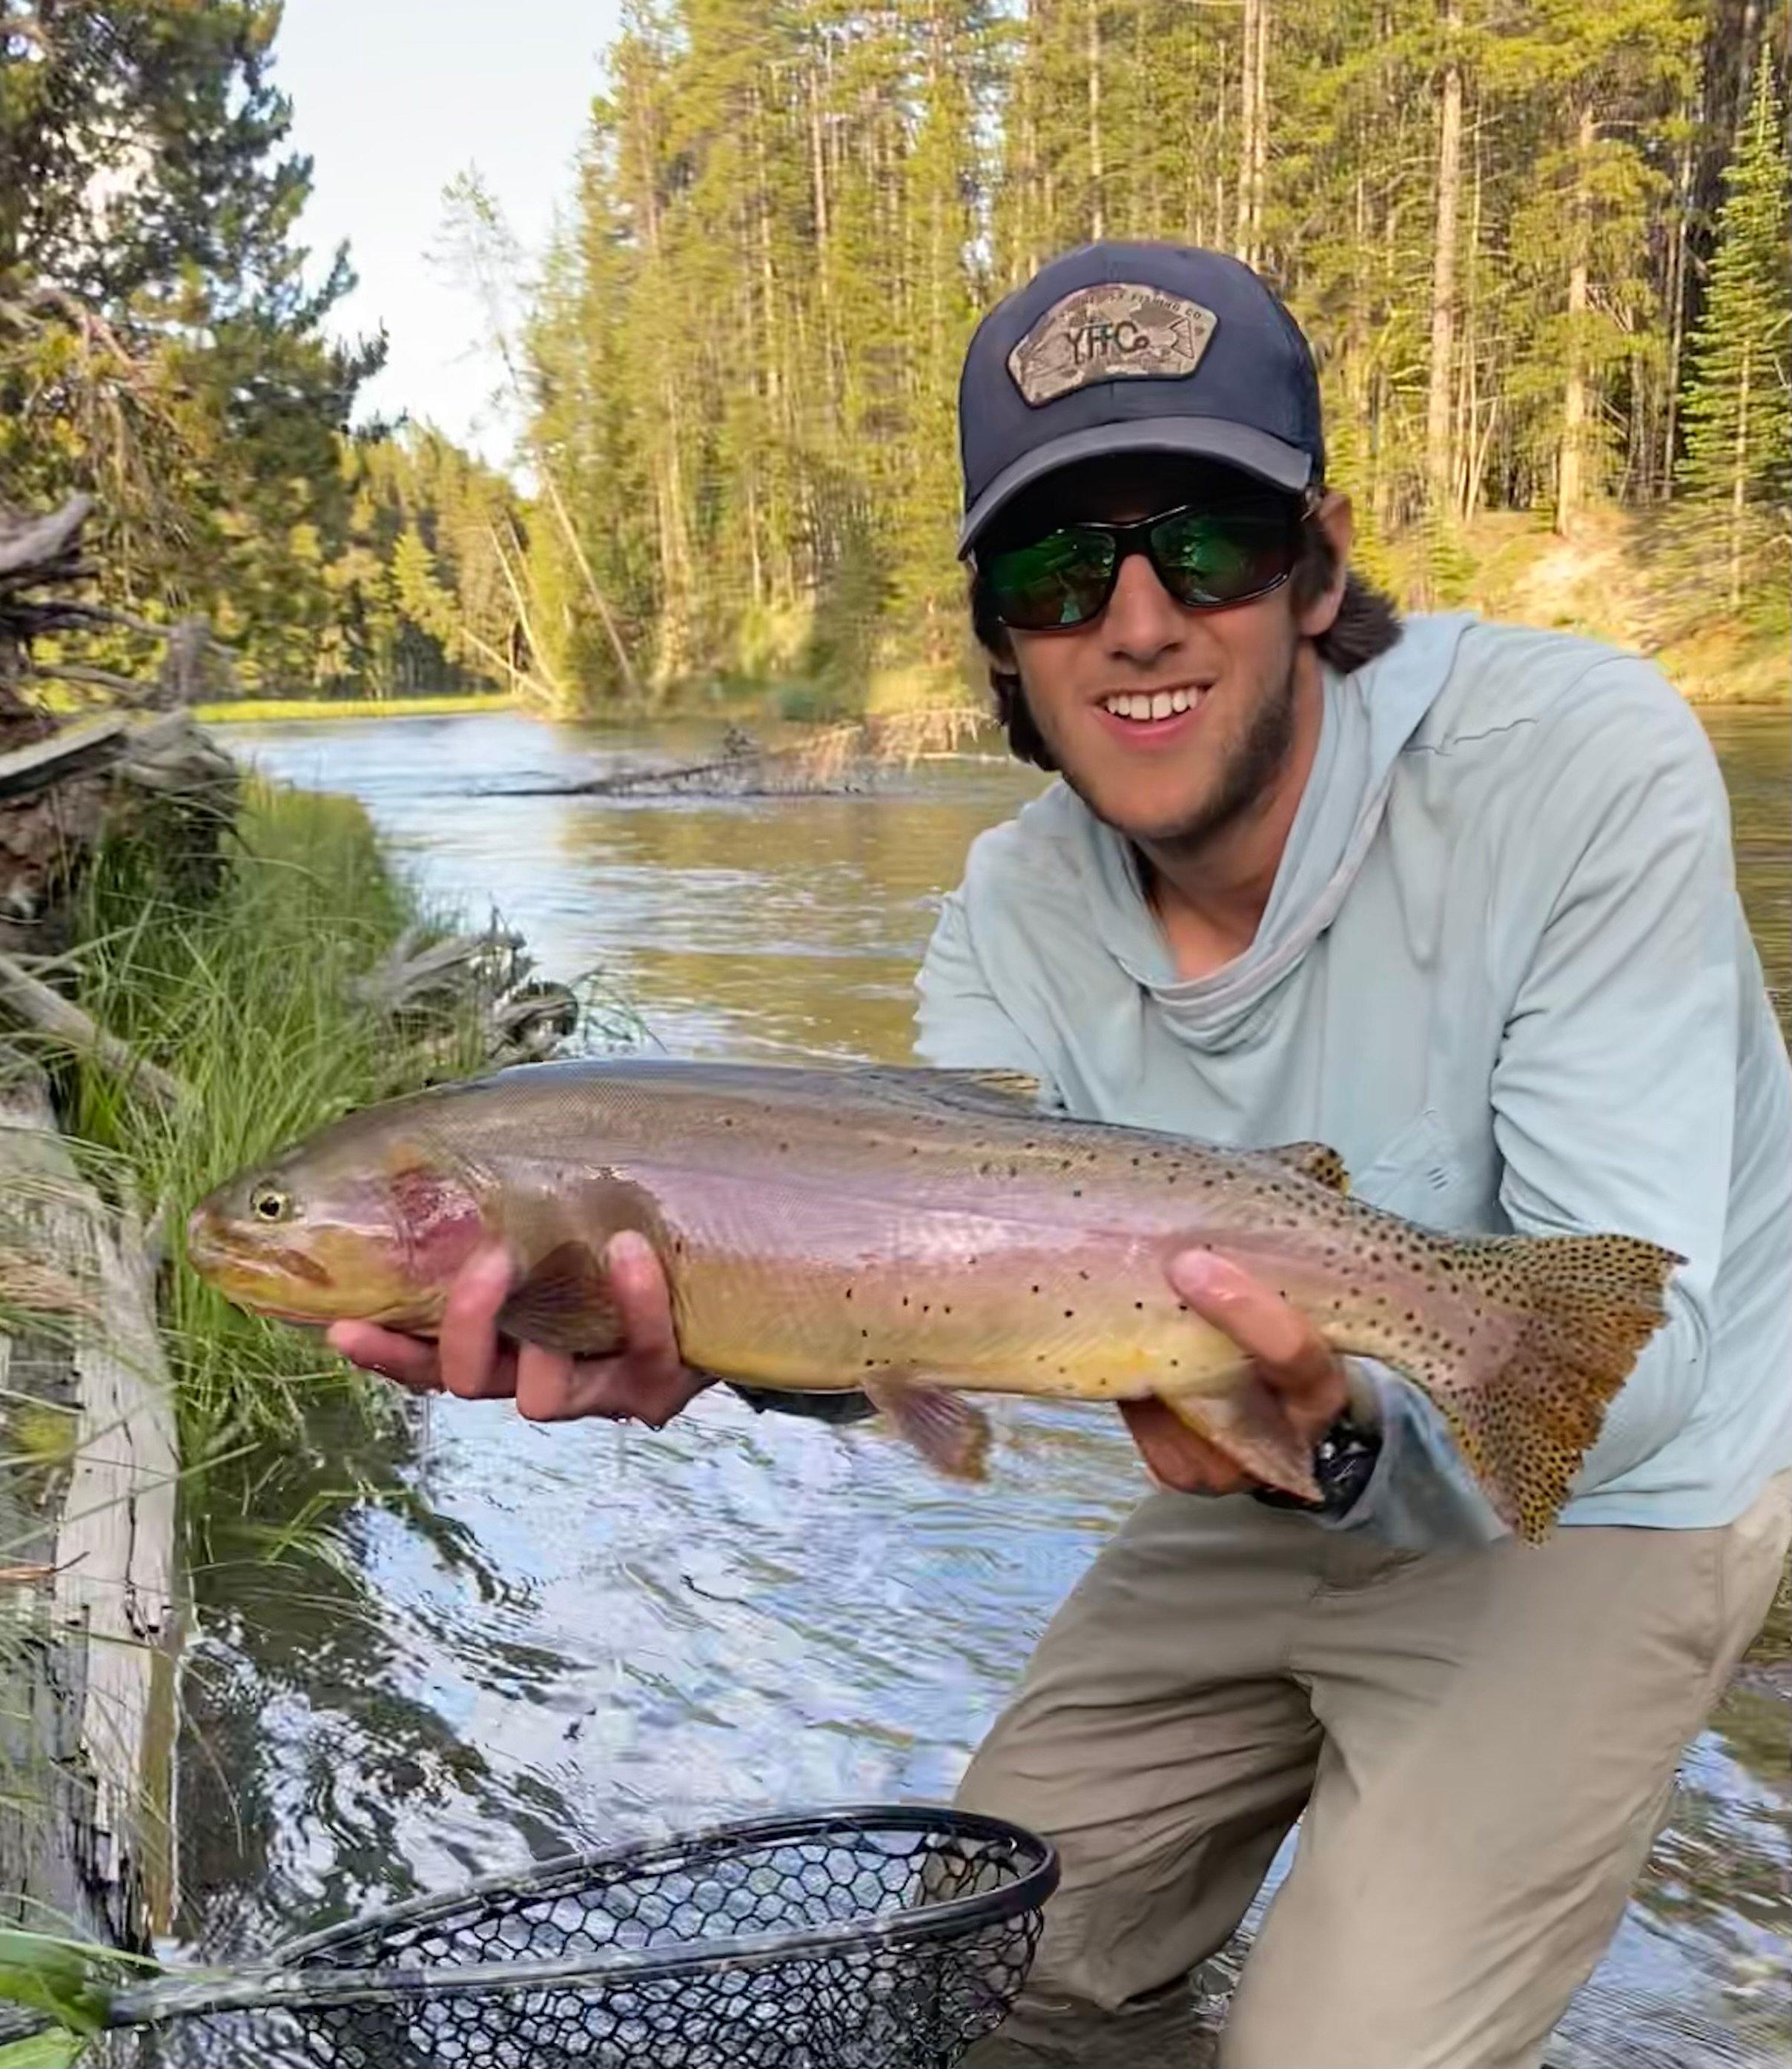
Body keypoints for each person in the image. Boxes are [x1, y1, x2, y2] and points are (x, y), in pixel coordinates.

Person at [328, 244, 1792, 2068]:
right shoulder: (1008, 914)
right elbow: (901, 1310)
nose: (1138, 616)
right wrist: (704, 1353)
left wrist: (1335, 1420)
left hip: (1612, 1496)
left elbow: (1628, 1373)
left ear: (1319, 561)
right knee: (973, 1978)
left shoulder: (1581, 762)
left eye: (1206, 541)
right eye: (1054, 565)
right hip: (1248, 1479)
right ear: (1002, 632)